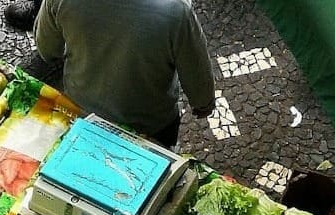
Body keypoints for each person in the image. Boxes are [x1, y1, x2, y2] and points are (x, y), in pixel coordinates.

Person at [31, 0, 217, 147]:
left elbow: (47, 49)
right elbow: (196, 69)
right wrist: (203, 103)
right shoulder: (176, 10)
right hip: (150, 126)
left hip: (81, 110)